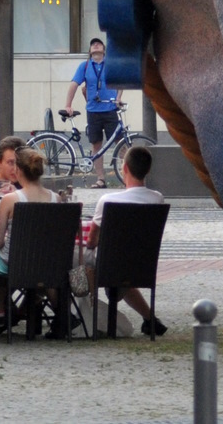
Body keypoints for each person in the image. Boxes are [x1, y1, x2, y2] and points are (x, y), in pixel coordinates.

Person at [89, 144, 167, 338]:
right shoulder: (157, 199)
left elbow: (91, 240)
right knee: (122, 264)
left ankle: (83, 316)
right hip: (142, 265)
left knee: (81, 261)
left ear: (124, 169)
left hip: (109, 268)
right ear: (148, 170)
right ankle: (151, 320)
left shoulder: (107, 200)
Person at [0, 145, 54, 278]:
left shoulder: (10, 199)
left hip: (13, 262)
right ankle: (36, 297)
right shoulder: (55, 198)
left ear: (18, 170)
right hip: (45, 262)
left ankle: (1, 299)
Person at [63, 38, 122, 183]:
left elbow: (120, 82)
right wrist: (68, 104)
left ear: (103, 49)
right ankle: (100, 179)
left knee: (120, 143)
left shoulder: (110, 64)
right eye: (93, 44)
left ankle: (129, 176)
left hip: (110, 109)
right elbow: (74, 84)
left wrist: (119, 98)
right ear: (89, 51)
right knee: (96, 144)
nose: (95, 45)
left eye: (99, 44)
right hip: (94, 111)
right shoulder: (85, 66)